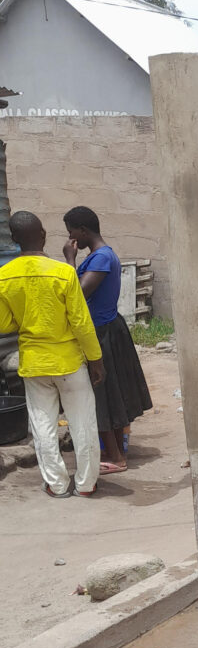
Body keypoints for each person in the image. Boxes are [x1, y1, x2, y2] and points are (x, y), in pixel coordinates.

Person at [0, 211, 104, 497]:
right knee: (83, 422)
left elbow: (4, 323)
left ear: (14, 239)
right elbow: (81, 323)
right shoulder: (63, 273)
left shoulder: (4, 277)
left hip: (34, 363)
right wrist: (96, 360)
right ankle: (85, 484)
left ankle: (56, 485)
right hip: (69, 362)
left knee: (43, 425)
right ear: (44, 235)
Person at [62, 206, 152, 473]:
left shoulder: (101, 258)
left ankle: (115, 457)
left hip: (101, 332)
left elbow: (77, 294)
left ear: (83, 231)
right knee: (108, 392)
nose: (70, 239)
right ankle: (115, 450)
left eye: (71, 233)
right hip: (105, 328)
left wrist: (70, 260)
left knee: (100, 395)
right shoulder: (101, 256)